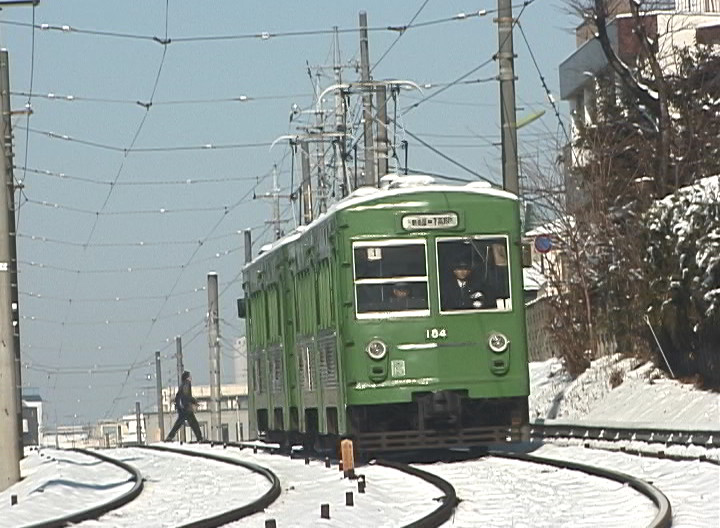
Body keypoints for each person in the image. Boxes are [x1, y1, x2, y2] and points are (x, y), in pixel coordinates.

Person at [165, 371, 203, 442]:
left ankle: (170, 436)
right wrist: (194, 401)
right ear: (187, 377)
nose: (191, 377)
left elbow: (178, 396)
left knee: (180, 423)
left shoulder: (182, 385)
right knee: (193, 423)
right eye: (189, 376)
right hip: (186, 408)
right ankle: (199, 438)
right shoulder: (187, 384)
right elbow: (187, 396)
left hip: (182, 408)